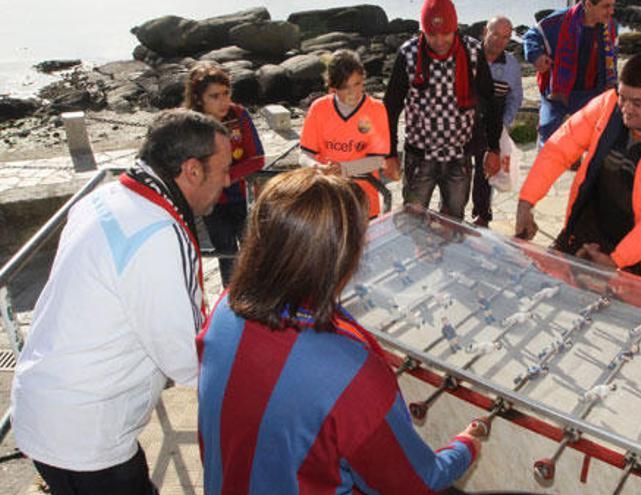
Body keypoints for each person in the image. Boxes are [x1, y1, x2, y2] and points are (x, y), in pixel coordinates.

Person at [197, 168, 482, 494]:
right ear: (344, 257)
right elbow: (414, 482)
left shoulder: (224, 308)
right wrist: (466, 445)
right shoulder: (352, 374)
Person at [11, 110, 232, 494]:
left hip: (43, 409)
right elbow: (187, 359)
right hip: (87, 437)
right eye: (224, 168)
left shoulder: (108, 196)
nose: (229, 181)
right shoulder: (158, 232)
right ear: (192, 170)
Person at [515, 53, 641, 282]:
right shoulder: (608, 104)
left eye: (637, 103)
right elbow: (559, 148)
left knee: (628, 316)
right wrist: (526, 202)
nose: (626, 109)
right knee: (552, 289)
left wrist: (616, 261)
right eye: (623, 97)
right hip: (590, 227)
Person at [384, 0, 503, 220]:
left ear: (455, 28)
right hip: (419, 158)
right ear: (423, 31)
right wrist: (390, 154)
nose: (439, 41)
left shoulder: (473, 52)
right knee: (413, 220)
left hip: (459, 156)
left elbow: (490, 102)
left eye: (445, 33)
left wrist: (494, 148)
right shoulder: (408, 54)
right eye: (432, 34)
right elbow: (391, 107)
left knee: (454, 221)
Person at [184, 61, 264, 286]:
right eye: (214, 96)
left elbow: (257, 158)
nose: (223, 101)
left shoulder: (239, 115)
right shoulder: (190, 124)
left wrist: (230, 175)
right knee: (226, 253)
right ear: (199, 98)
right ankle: (229, 299)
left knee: (253, 250)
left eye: (226, 93)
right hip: (212, 202)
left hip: (242, 195)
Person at [300, 49, 391, 219]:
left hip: (363, 202)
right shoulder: (319, 108)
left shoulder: (376, 109)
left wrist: (344, 169)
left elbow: (378, 160)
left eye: (357, 84)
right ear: (332, 87)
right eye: (345, 87)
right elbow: (304, 154)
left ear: (363, 78)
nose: (353, 93)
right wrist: (316, 167)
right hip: (327, 199)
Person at [523, 0, 618, 148]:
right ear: (588, 5)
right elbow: (532, 35)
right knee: (548, 137)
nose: (611, 11)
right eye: (606, 6)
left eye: (613, 5)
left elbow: (612, 59)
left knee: (596, 140)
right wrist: (537, 56)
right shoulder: (558, 21)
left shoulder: (610, 26)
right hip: (557, 91)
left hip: (592, 93)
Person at [466, 15, 524, 227]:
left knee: (485, 174)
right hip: (463, 125)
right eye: (496, 34)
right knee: (459, 172)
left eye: (506, 37)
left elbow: (515, 97)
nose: (500, 41)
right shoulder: (467, 56)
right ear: (485, 32)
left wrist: (504, 124)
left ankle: (481, 216)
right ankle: (452, 213)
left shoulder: (511, 65)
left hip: (491, 128)